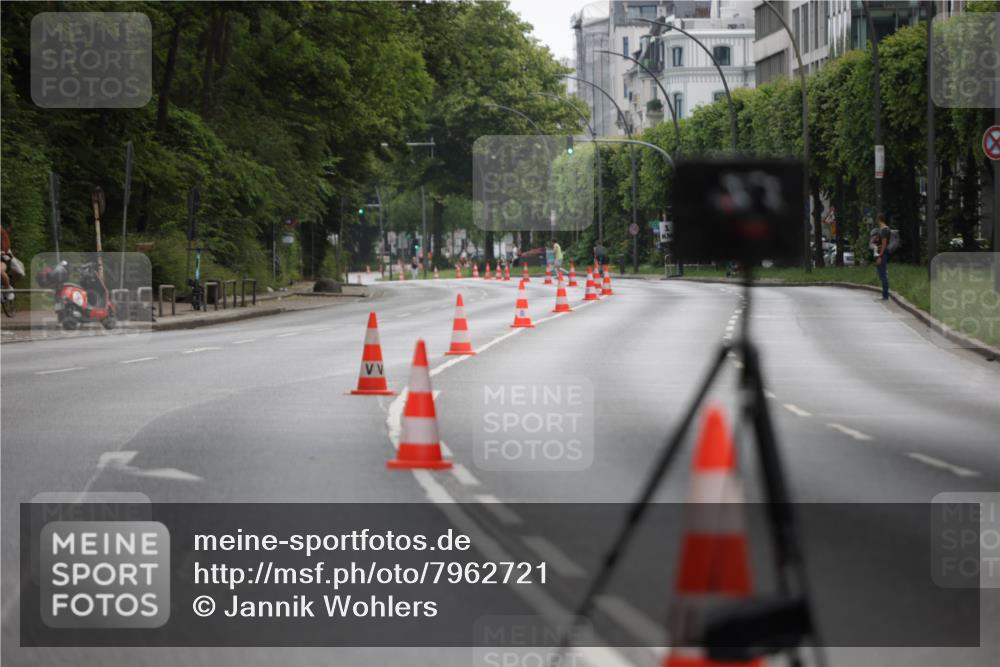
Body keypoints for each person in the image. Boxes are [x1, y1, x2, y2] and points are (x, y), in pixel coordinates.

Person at [872, 213, 890, 300]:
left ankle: (885, 295)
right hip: (880, 254)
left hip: (882, 254)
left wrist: (880, 256)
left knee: (883, 274)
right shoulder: (881, 230)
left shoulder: (884, 230)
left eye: (877, 219)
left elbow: (884, 244)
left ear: (879, 219)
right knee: (881, 273)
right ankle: (884, 294)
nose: (876, 221)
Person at [1, 225, 13, 301]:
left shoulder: (3, 236)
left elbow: (5, 248)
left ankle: (8, 289)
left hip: (2, 260)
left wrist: (3, 252)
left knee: (0, 271)